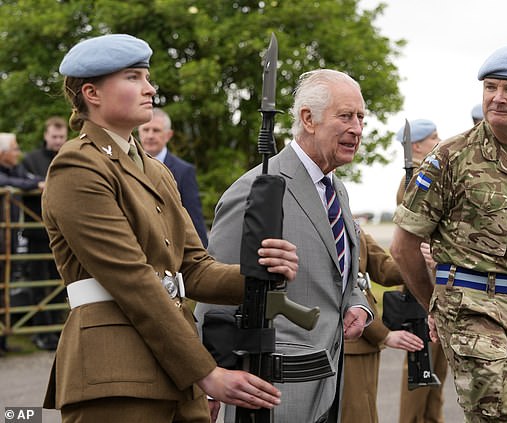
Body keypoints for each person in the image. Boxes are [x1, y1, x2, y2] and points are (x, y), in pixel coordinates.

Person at [42, 33, 299, 423]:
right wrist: (206, 371)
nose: (150, 88)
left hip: (174, 373)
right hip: (115, 374)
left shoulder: (156, 170)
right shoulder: (78, 166)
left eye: (147, 77)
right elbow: (132, 278)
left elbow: (194, 268)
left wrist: (257, 274)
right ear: (92, 93)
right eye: (133, 77)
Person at [391, 45, 507, 422]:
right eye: (490, 87)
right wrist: (434, 305)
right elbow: (403, 246)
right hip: (469, 307)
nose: (497, 98)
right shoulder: (450, 157)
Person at [195, 69, 372, 423]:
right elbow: (214, 290)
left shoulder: (337, 191)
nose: (357, 128)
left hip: (329, 381)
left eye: (361, 118)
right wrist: (209, 378)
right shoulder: (257, 189)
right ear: (308, 118)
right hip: (272, 390)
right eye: (345, 116)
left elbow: (340, 274)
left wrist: (358, 305)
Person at [394, 119, 447, 423]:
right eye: (433, 138)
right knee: (420, 370)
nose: (439, 142)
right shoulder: (413, 178)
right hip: (422, 286)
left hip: (436, 283)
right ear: (416, 146)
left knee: (436, 370)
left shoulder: (429, 174)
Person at [341, 228, 423, 423]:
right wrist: (383, 334)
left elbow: (386, 269)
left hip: (364, 345)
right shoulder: (328, 221)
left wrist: (421, 260)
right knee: (356, 416)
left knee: (367, 413)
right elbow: (342, 288)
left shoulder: (348, 221)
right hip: (350, 343)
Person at [21, 116, 69, 351]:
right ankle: (40, 332)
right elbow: (25, 182)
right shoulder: (30, 160)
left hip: (63, 233)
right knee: (38, 284)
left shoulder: (70, 156)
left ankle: (56, 330)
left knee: (59, 282)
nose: (58, 141)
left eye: (61, 137)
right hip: (37, 233)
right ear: (46, 136)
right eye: (54, 136)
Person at [0, 132, 45, 357]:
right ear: (3, 153)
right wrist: (33, 183)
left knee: (4, 288)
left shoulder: (15, 169)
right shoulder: (6, 174)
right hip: (3, 238)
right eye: (15, 149)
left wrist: (35, 182)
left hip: (8, 240)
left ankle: (3, 342)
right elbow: (9, 182)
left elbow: (28, 179)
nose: (19, 153)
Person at [138, 108, 208, 247]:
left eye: (156, 130)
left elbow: (194, 219)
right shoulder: (125, 164)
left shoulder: (184, 171)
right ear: (139, 132)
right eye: (146, 130)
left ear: (168, 135)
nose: (150, 135)